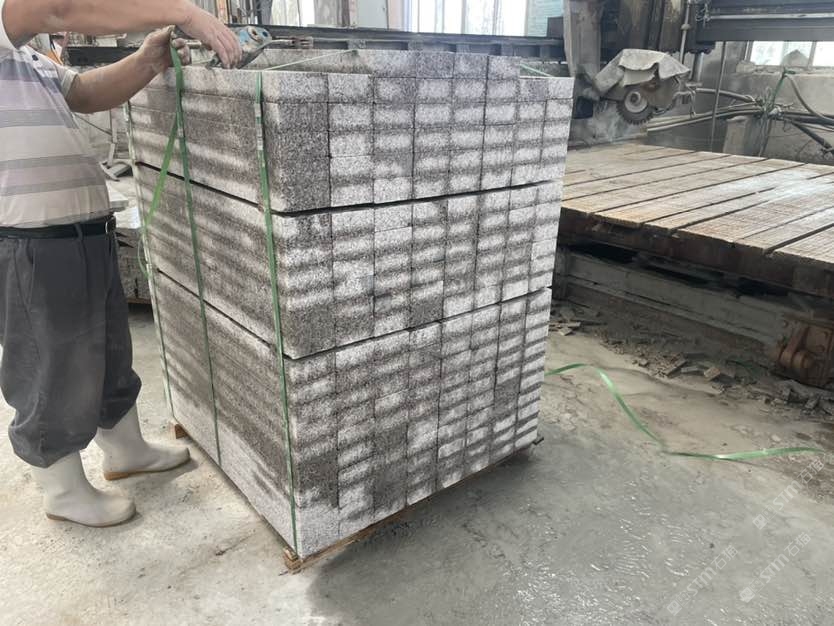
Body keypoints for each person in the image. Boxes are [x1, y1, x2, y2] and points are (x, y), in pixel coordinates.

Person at [0, 0, 242, 528]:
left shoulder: (27, 58)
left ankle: (125, 449)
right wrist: (186, 13)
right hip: (28, 239)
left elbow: (86, 94)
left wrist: (147, 60)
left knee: (109, 349)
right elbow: (56, 9)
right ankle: (62, 489)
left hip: (83, 229)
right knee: (50, 363)